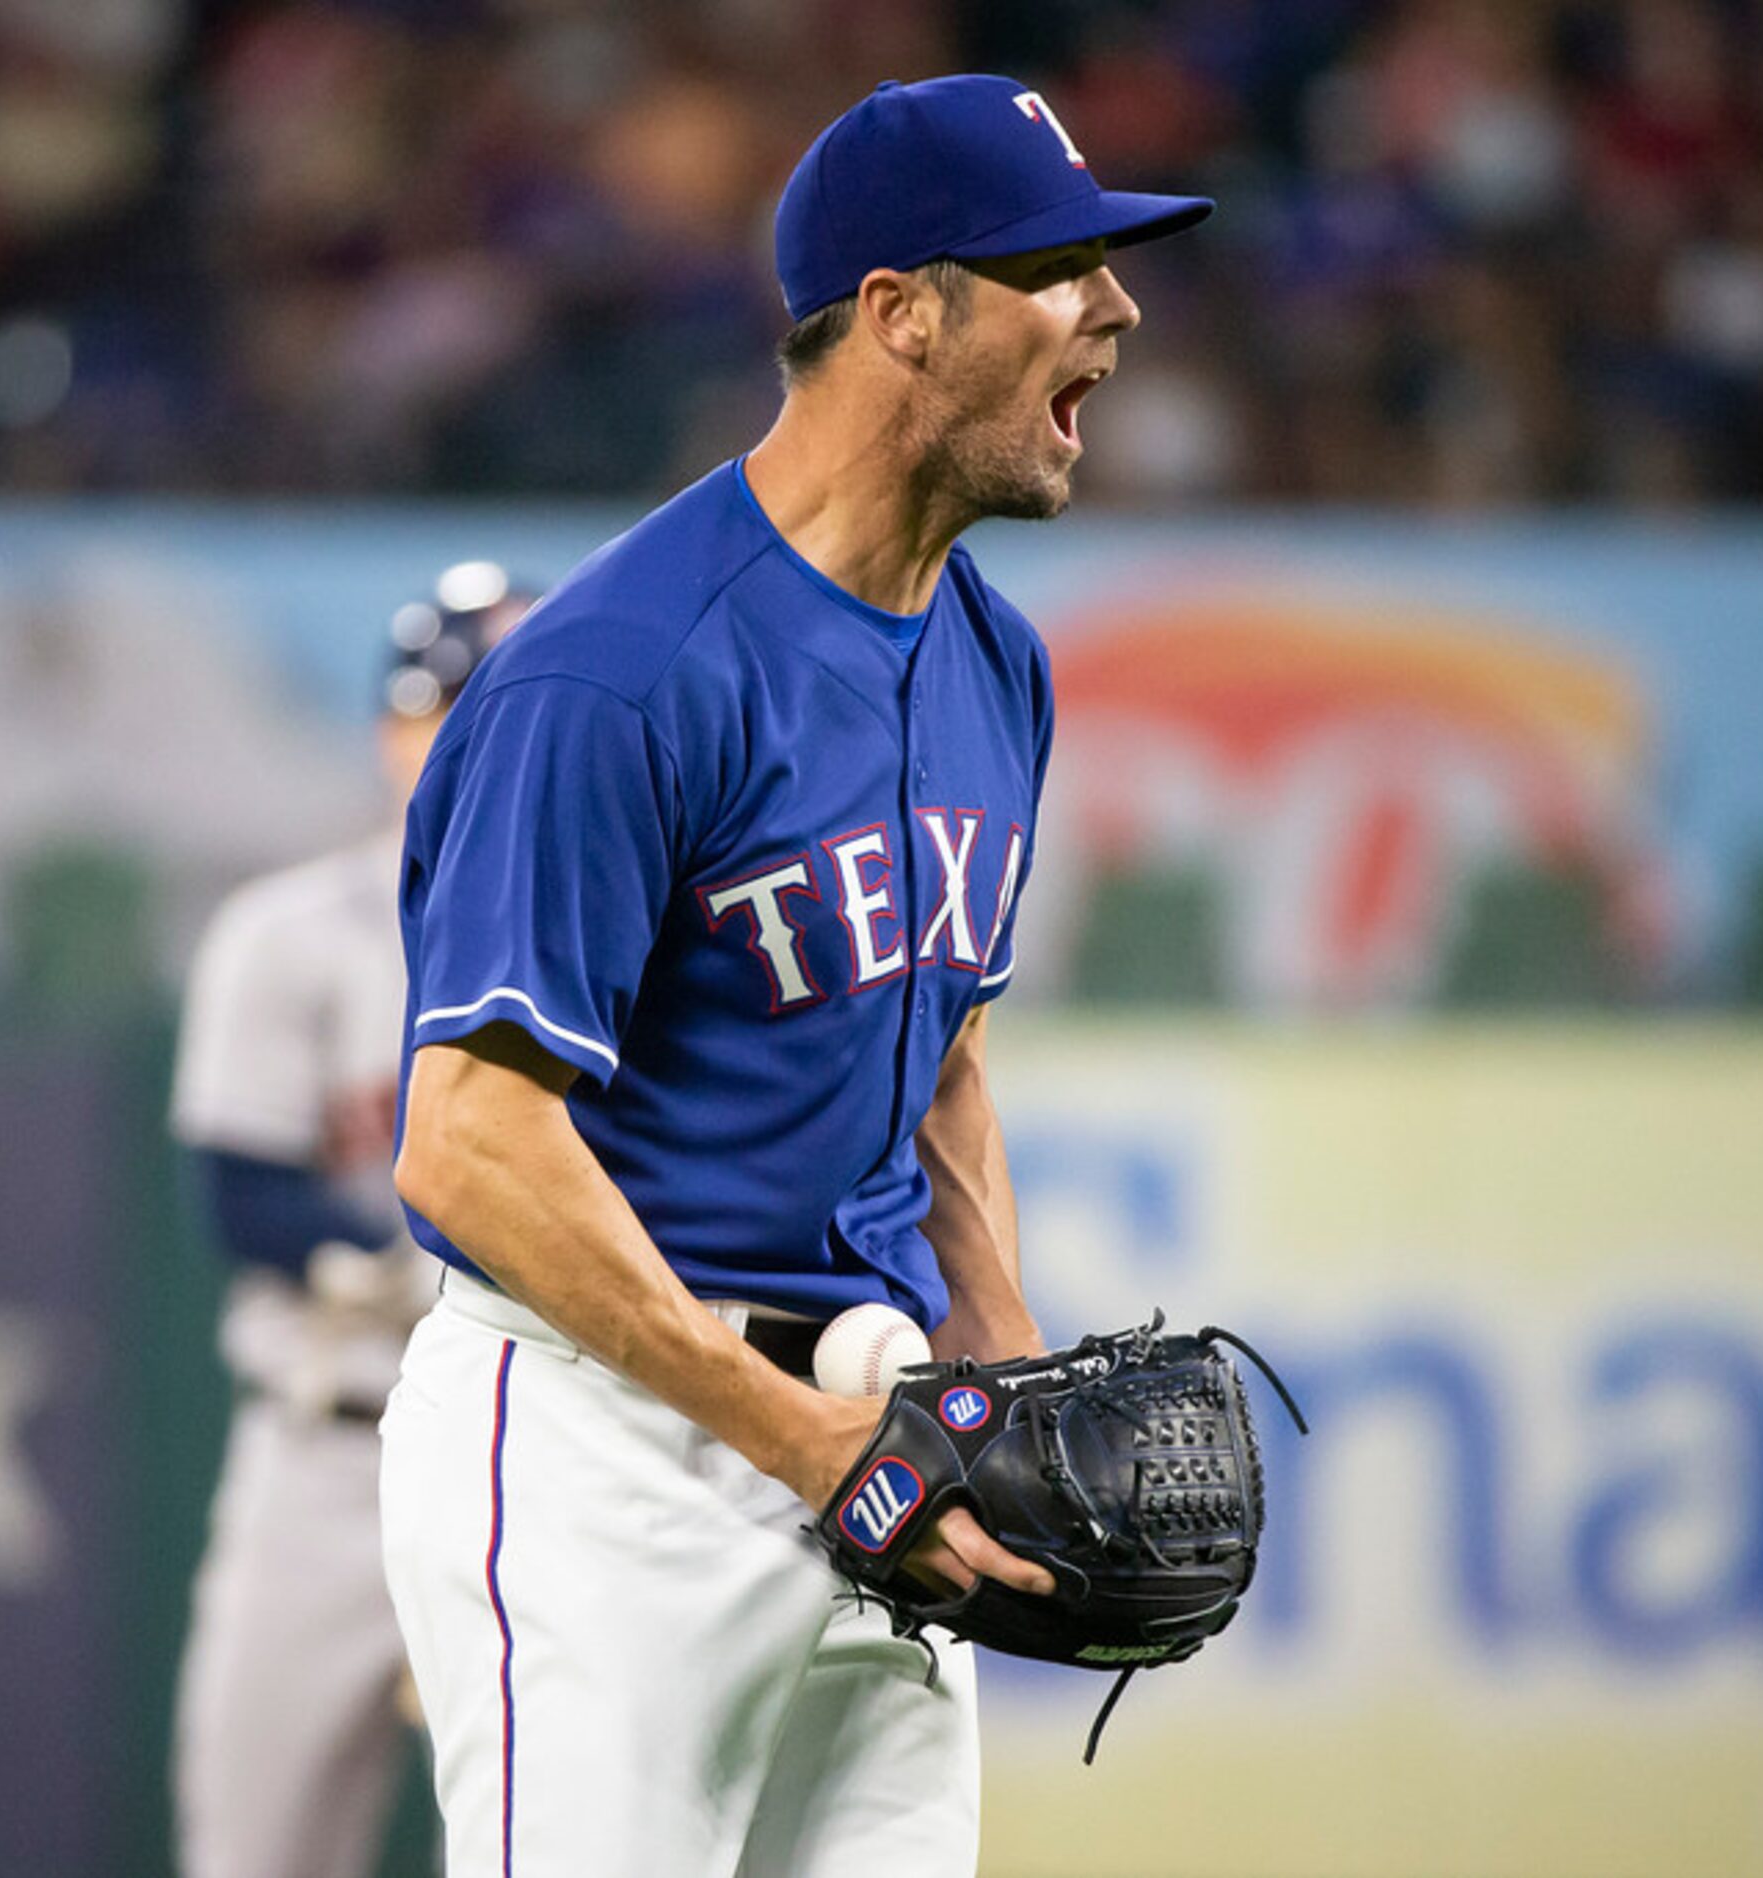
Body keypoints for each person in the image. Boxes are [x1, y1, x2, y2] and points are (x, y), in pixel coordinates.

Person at [380, 76, 1211, 1875]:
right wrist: (797, 1439)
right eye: (1058, 266)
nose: (1115, 309)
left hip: (871, 1437)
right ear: (901, 314)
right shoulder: (612, 675)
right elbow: (464, 1146)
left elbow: (944, 1054)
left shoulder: (996, 658)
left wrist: (995, 1365)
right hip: (603, 1445)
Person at [170, 565, 535, 1878]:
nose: (470, 737)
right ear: (393, 730)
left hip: (539, 1461)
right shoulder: (291, 929)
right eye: (444, 706)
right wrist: (410, 1258)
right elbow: (241, 1188)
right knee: (256, 1848)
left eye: (510, 705)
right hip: (328, 1451)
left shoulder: (637, 936)